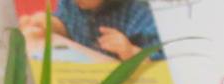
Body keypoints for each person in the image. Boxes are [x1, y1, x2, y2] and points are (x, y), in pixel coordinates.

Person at [19, 0, 167, 64]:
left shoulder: (140, 12)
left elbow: (163, 66)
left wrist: (130, 51)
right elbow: (67, 24)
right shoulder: (73, 3)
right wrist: (50, 25)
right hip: (83, 79)